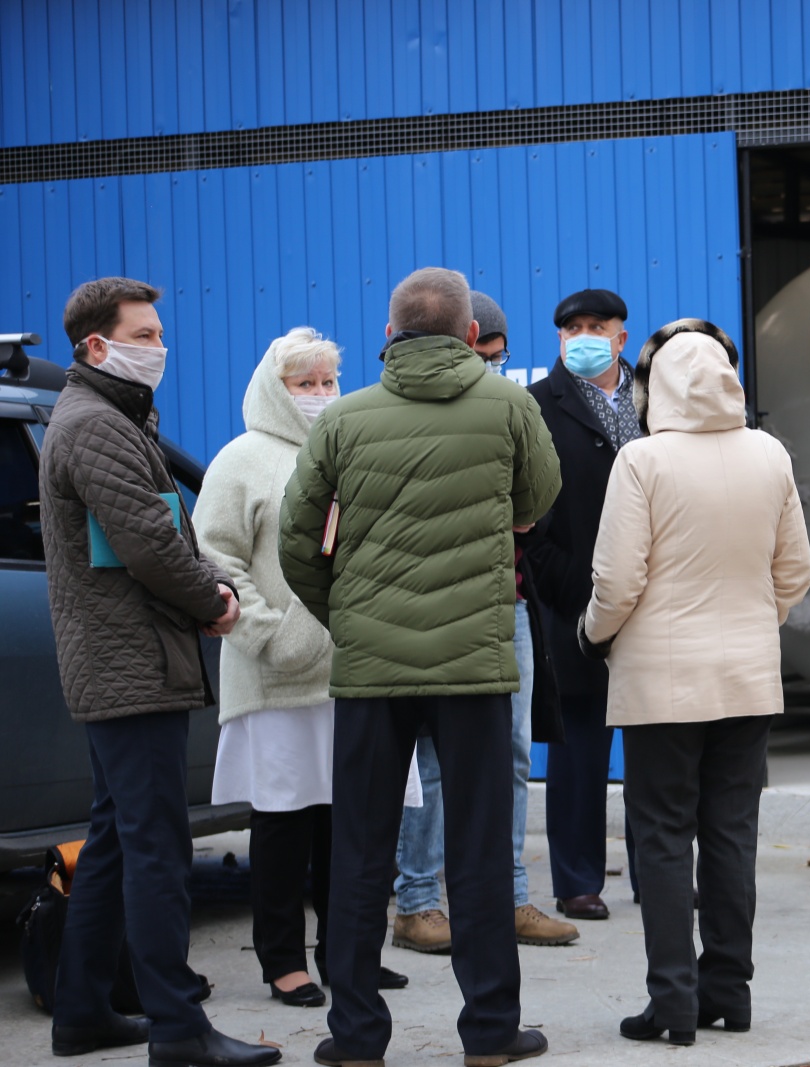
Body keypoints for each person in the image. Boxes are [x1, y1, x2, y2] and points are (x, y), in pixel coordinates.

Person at [278, 268, 562, 1067]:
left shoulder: (344, 418)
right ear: (472, 335)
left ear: (390, 335)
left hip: (372, 671)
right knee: (477, 845)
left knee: (361, 850)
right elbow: (540, 495)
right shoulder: (510, 406)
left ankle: (358, 1037)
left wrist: (350, 617)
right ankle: (491, 1033)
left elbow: (296, 542)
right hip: (474, 663)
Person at [38, 277, 280, 1067]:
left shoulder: (112, 418)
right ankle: (178, 1028)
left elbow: (165, 520)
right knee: (156, 847)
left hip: (130, 657)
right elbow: (147, 540)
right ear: (96, 345)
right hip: (129, 661)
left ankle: (82, 1011)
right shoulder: (97, 426)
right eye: (143, 334)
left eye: (157, 333)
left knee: (114, 836)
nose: (159, 347)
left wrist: (210, 580)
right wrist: (213, 598)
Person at [577, 324, 810, 1045]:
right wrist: (746, 624)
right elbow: (795, 573)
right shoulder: (770, 453)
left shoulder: (642, 460)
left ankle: (671, 1003)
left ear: (658, 389)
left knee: (663, 839)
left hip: (661, 685)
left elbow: (618, 580)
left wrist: (592, 632)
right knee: (732, 836)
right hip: (747, 680)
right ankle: (729, 993)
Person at [194, 328, 411, 1008]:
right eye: (304, 383)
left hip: (354, 670)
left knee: (351, 822)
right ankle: (283, 960)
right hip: (278, 676)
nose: (319, 395)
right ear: (273, 387)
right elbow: (217, 557)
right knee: (285, 824)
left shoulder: (351, 447)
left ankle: (348, 952)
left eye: (326, 382)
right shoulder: (240, 461)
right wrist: (269, 634)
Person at [391, 291, 579, 955]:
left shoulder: (508, 409)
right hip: (432, 607)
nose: (487, 368)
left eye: (497, 358)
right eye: (479, 356)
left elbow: (540, 500)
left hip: (509, 599)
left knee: (515, 753)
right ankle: (416, 899)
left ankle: (511, 894)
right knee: (433, 760)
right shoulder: (397, 412)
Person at [524, 287, 638, 921]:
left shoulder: (655, 401)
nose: (583, 336)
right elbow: (527, 511)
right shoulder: (538, 405)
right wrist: (570, 581)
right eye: (571, 328)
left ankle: (659, 872)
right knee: (579, 751)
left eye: (596, 326)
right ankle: (577, 880)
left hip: (656, 602)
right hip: (574, 601)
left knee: (657, 753)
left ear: (621, 338)